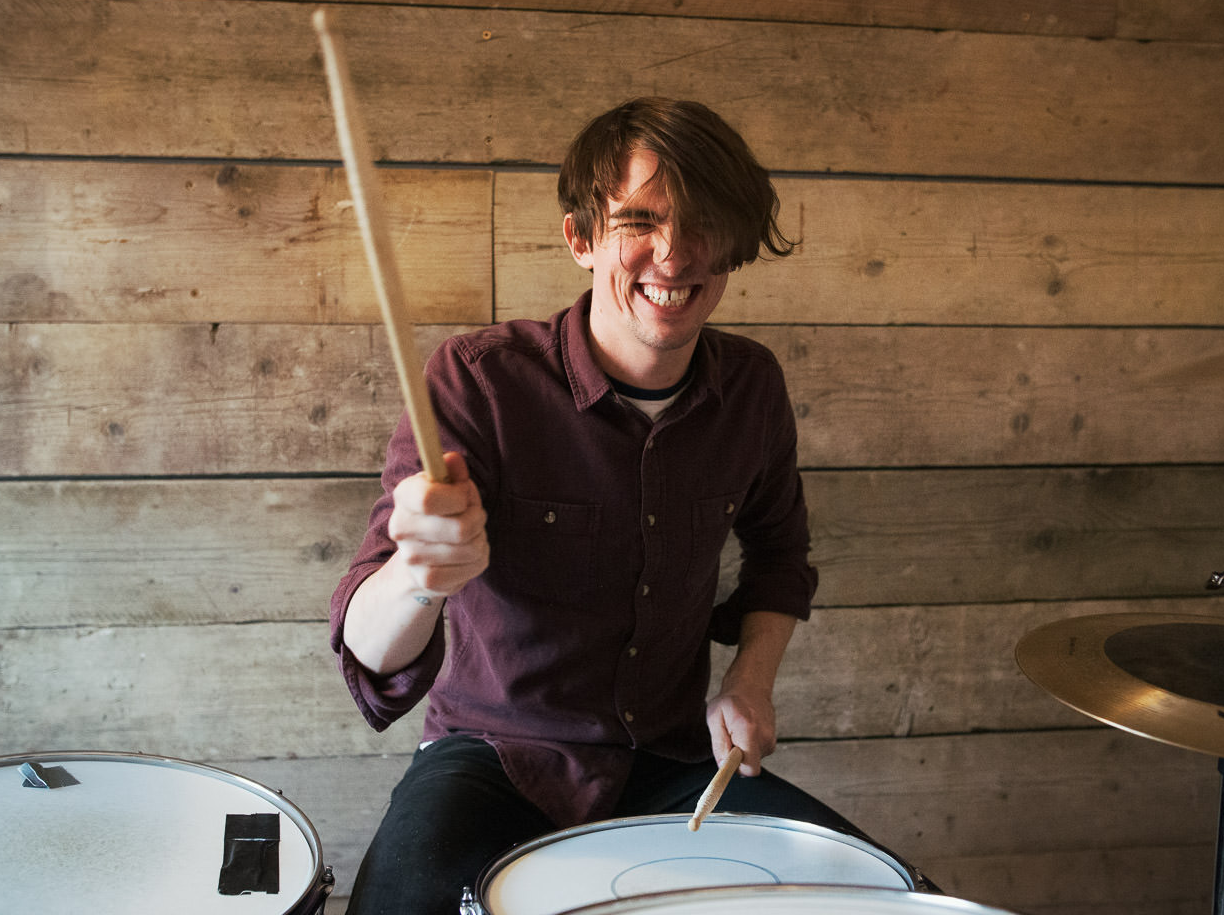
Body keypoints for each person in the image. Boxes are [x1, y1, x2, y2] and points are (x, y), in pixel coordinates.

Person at [330, 97, 872, 914]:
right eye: (641, 221)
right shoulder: (478, 381)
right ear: (581, 239)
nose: (675, 253)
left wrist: (749, 683)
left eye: (702, 224)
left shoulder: (752, 387)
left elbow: (779, 560)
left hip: (670, 761)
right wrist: (417, 573)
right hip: (492, 758)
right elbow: (370, 661)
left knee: (879, 893)